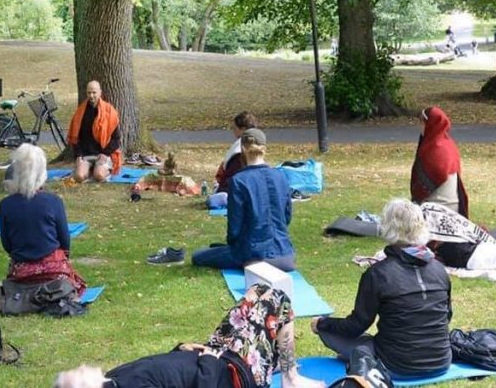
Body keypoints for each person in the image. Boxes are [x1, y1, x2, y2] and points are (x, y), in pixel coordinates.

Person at [52, 284, 323, 388]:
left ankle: (282, 368)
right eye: (76, 375)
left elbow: (159, 371)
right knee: (279, 300)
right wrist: (207, 361)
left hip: (211, 356)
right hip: (231, 374)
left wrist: (181, 349)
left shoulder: (113, 380)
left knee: (258, 291)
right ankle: (290, 378)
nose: (82, 366)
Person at [312, 199, 452, 379]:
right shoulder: (439, 269)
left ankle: (363, 355)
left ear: (386, 227)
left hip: (396, 365)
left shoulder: (378, 274)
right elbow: (446, 316)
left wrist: (323, 323)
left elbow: (355, 326)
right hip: (440, 361)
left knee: (329, 332)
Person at [192, 129, 295, 272]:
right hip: (286, 253)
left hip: (252, 254)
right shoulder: (281, 176)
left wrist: (234, 246)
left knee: (198, 256)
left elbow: (235, 225)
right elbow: (287, 217)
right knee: (216, 248)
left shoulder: (239, 181)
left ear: (242, 149)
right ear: (264, 149)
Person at [0, 144, 86, 299]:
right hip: (53, 272)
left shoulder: (6, 204)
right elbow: (64, 242)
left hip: (21, 272)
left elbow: (7, 244)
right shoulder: (53, 201)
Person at [410, 106, 469, 217]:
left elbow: (421, 190)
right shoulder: (449, 144)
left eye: (422, 123)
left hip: (437, 211)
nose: (420, 126)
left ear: (429, 124)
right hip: (455, 209)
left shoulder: (432, 150)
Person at [67, 80, 121, 183]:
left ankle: (98, 170)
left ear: (100, 92)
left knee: (99, 176)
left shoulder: (109, 111)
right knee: (79, 177)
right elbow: (75, 138)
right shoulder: (80, 112)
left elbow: (116, 139)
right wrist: (78, 155)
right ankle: (88, 169)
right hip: (85, 155)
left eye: (94, 92)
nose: (91, 96)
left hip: (102, 154)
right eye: (89, 93)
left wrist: (105, 153)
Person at [215, 111, 258, 194]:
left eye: (234, 128)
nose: (233, 131)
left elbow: (231, 177)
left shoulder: (239, 151)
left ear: (243, 129)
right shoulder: (257, 143)